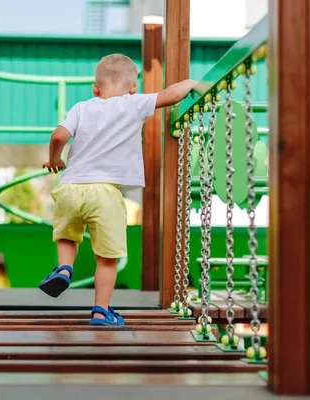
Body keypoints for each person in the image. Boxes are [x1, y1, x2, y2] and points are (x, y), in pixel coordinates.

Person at [38, 53, 198, 326]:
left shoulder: (81, 107)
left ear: (95, 88)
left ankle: (65, 268)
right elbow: (171, 95)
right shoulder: (134, 103)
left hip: (70, 186)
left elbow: (58, 136)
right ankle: (100, 311)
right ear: (132, 87)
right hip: (105, 193)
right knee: (106, 258)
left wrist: (55, 159)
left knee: (68, 236)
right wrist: (192, 82)